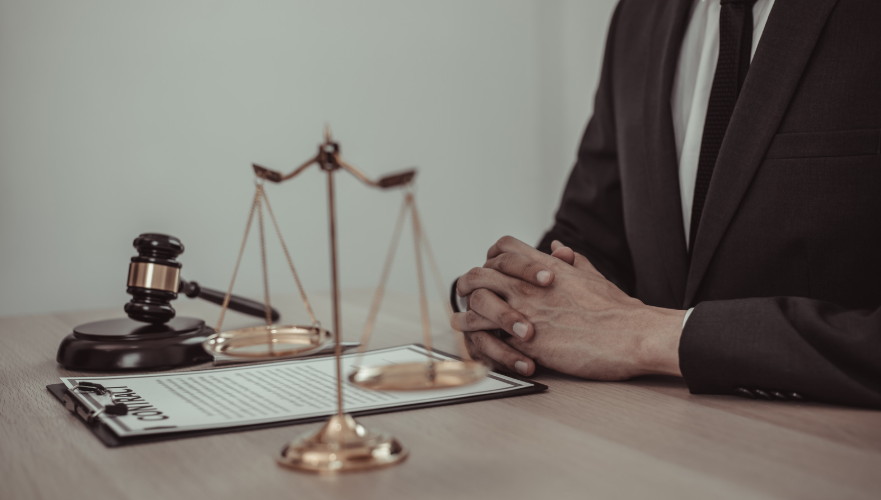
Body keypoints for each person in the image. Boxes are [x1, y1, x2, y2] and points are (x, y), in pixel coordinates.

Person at [451, 0, 881, 408]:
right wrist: (506, 307)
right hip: (654, 444)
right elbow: (592, 238)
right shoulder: (639, 15)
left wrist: (651, 337)